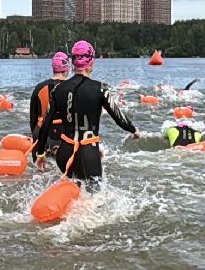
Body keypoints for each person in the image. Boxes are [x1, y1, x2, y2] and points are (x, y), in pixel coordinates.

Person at [31, 40, 138, 187]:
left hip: (64, 154)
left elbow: (45, 125)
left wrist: (40, 154)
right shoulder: (100, 89)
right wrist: (134, 130)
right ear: (91, 62)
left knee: (73, 188)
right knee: (94, 195)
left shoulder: (57, 90)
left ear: (73, 63)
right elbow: (119, 118)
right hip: (88, 153)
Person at [28, 52, 69, 157]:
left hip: (42, 134)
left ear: (53, 68)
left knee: (40, 167)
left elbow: (33, 118)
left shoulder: (39, 88)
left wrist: (35, 134)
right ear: (67, 68)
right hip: (65, 136)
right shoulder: (73, 88)